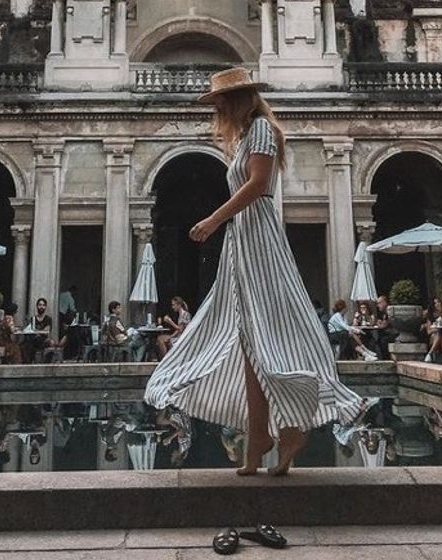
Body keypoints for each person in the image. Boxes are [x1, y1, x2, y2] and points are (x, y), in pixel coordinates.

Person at [144, 66, 364, 477]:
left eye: (222, 102)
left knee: (263, 334)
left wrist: (213, 220)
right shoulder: (247, 135)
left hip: (257, 233)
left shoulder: (262, 129)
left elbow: (259, 185)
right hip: (243, 238)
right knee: (248, 339)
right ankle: (260, 435)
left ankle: (289, 427)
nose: (218, 110)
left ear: (238, 100)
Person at [21, 297, 54, 364]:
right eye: (40, 305)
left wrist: (36, 331)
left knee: (36, 341)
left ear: (45, 307)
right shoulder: (33, 319)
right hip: (33, 339)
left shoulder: (48, 319)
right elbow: (29, 329)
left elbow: (46, 332)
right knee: (25, 344)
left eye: (43, 305)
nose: (41, 307)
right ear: (37, 306)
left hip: (42, 339)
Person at [421, 297, 442, 363]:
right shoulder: (430, 316)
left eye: (438, 302)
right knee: (439, 334)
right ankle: (431, 354)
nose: (438, 304)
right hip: (434, 335)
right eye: (435, 303)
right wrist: (437, 329)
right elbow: (429, 331)